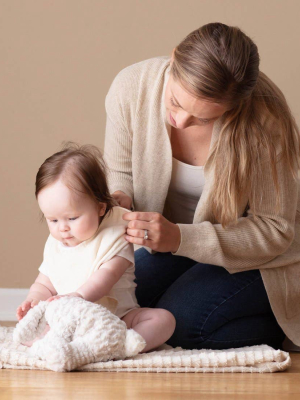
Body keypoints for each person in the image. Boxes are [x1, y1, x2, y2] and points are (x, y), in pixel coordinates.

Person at [103, 22, 300, 351]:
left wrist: (179, 237)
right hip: (177, 248)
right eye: (176, 102)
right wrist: (119, 201)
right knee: (118, 308)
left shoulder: (266, 122)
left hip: (263, 256)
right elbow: (120, 175)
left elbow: (275, 230)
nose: (179, 121)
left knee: (181, 325)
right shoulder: (132, 87)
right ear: (174, 58)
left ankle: (286, 322)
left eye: (203, 119)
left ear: (234, 107)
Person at [16, 142, 176, 353]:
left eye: (72, 217)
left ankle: (122, 344)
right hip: (72, 323)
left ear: (100, 208)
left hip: (118, 319)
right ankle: (71, 346)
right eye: (52, 220)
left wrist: (79, 296)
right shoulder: (58, 243)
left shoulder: (115, 232)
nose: (62, 228)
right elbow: (44, 283)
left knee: (164, 320)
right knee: (38, 332)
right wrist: (32, 300)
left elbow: (107, 275)